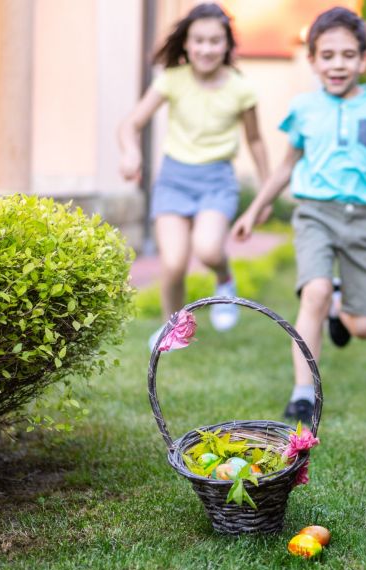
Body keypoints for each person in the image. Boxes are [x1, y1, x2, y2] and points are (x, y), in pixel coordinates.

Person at [232, 7, 366, 424]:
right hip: (316, 213)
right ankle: (302, 393)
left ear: (364, 60)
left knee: (365, 326)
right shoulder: (304, 108)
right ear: (312, 60)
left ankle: (339, 307)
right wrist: (255, 209)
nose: (338, 64)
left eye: (348, 55)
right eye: (327, 55)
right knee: (312, 291)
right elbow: (285, 166)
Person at [118, 3, 269, 349]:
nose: (206, 49)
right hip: (174, 179)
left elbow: (256, 140)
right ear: (186, 43)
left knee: (208, 248)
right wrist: (131, 151)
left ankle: (224, 278)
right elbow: (131, 124)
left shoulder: (240, 89)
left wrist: (264, 194)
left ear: (227, 45)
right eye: (198, 40)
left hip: (217, 180)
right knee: (172, 263)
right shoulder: (172, 80)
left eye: (215, 41)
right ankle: (175, 329)